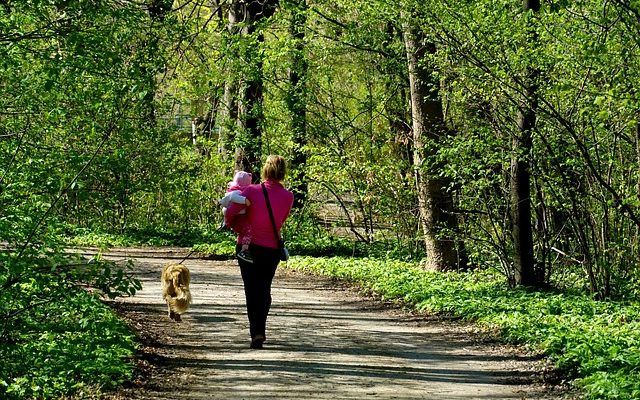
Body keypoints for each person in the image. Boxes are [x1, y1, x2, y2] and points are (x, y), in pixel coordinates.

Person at [225, 155, 294, 349]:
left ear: (265, 170)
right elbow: (280, 220)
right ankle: (260, 329)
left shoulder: (251, 191)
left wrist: (235, 225)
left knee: (251, 289)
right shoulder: (288, 197)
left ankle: (256, 331)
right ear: (283, 172)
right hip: (271, 249)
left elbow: (230, 213)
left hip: (248, 247)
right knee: (264, 289)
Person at [219, 170, 253, 263]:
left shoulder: (234, 191)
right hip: (238, 218)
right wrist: (245, 200)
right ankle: (244, 250)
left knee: (245, 231)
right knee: (248, 231)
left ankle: (244, 249)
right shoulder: (236, 192)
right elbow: (233, 198)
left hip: (236, 217)